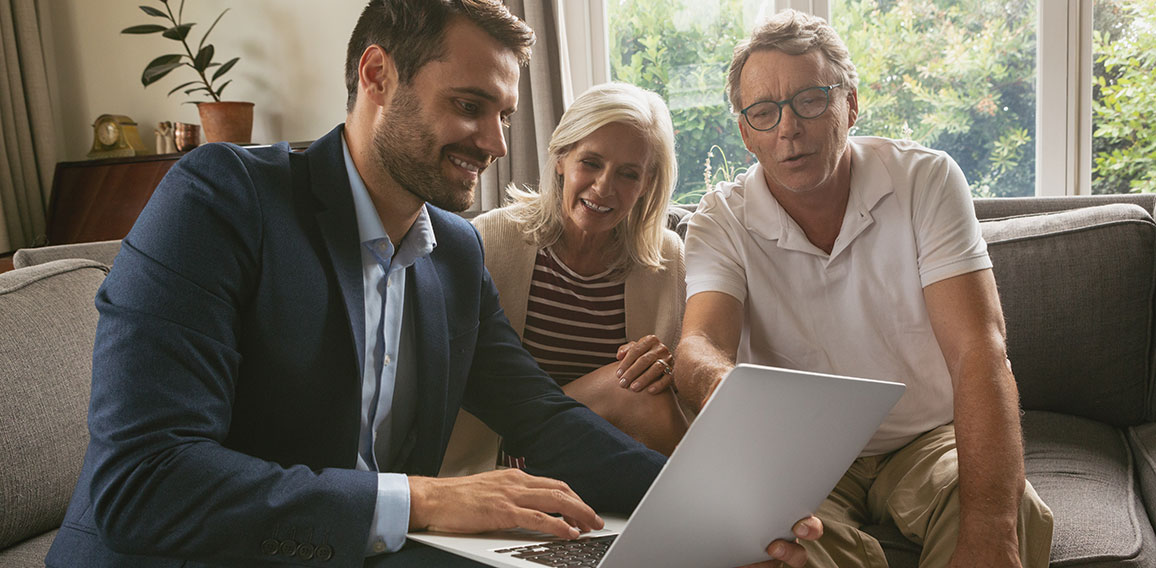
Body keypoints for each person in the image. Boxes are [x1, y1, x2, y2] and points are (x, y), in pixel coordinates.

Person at [45, 2, 819, 567]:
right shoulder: (221, 199)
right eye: (469, 105)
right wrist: (422, 498)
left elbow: (544, 419)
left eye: (505, 113)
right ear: (377, 75)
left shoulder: (451, 253)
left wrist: (725, 513)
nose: (495, 142)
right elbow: (140, 482)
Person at [673, 9, 1054, 568]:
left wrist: (991, 528)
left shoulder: (927, 179)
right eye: (764, 112)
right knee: (763, 542)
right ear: (745, 132)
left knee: (1013, 511)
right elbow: (696, 347)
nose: (788, 129)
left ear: (849, 104)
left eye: (809, 99)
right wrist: (725, 385)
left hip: (929, 437)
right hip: (802, 450)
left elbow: (979, 349)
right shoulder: (719, 218)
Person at [440, 82, 687, 476]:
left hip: (608, 459)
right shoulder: (489, 240)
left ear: (646, 184)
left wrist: (666, 368)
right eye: (591, 162)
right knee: (635, 392)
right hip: (503, 457)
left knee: (648, 388)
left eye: (627, 174)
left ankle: (706, 510)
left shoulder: (667, 258)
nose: (604, 187)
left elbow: (674, 396)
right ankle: (710, 508)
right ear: (560, 158)